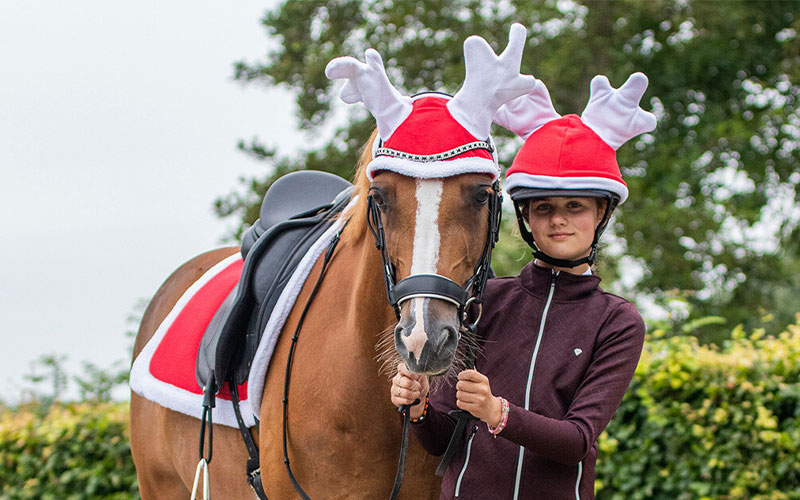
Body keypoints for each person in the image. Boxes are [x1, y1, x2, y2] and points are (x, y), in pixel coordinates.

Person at [390, 73, 658, 499]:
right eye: (544, 207)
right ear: (526, 217)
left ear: (601, 213)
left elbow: (577, 442)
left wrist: (498, 412)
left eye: (575, 206)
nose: (558, 219)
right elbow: (444, 441)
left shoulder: (618, 322)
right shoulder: (483, 302)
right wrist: (420, 407)